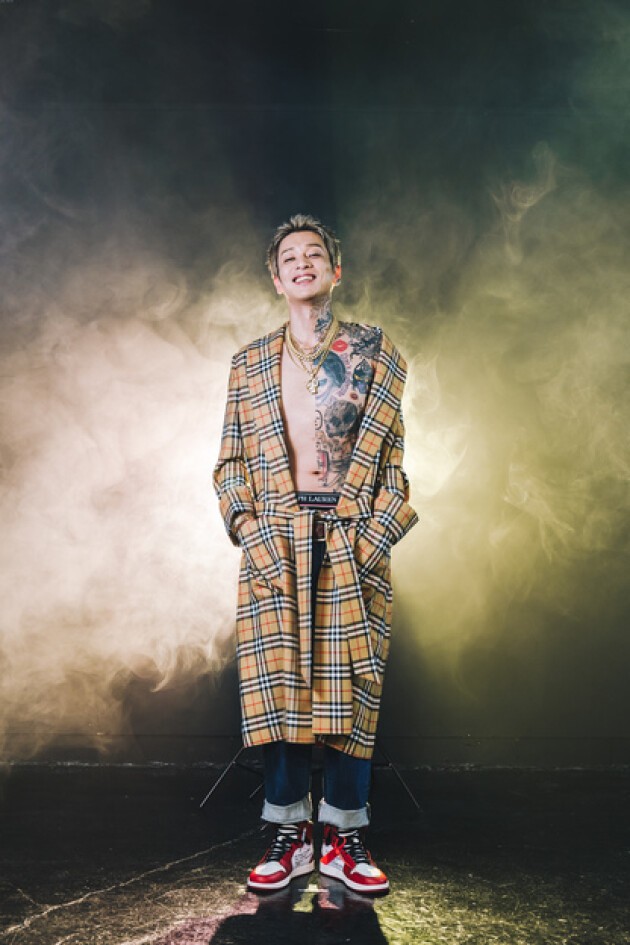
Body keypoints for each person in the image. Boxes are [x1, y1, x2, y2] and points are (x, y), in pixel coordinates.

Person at [213, 213, 418, 894]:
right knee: (279, 692)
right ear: (276, 279)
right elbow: (230, 463)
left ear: (336, 270)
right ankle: (290, 832)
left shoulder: (374, 352)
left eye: (314, 254)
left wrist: (373, 537)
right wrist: (248, 527)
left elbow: (393, 465)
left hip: (350, 538)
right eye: (290, 258)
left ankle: (345, 836)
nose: (302, 263)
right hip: (276, 537)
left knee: (351, 691)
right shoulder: (249, 363)